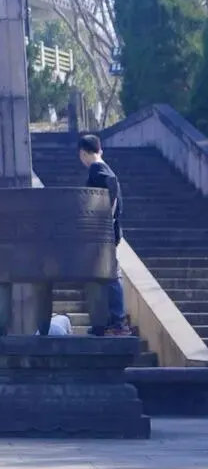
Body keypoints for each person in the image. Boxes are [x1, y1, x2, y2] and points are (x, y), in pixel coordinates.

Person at [77, 134, 133, 336]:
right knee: (106, 275)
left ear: (83, 153)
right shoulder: (104, 168)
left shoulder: (97, 169)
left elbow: (110, 187)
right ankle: (107, 322)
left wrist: (103, 221)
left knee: (110, 275)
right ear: (99, 150)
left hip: (104, 233)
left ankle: (117, 322)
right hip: (108, 232)